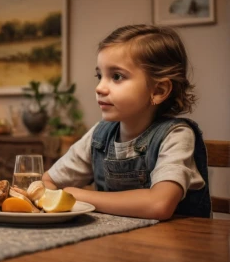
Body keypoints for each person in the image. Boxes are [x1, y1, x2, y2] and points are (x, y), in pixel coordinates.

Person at [42, 24, 210, 220]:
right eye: (99, 76)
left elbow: (159, 204)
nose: (99, 88)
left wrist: (79, 195)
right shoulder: (100, 135)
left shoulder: (176, 135)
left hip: (172, 245)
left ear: (158, 91)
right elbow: (48, 181)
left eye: (116, 76)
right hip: (114, 241)